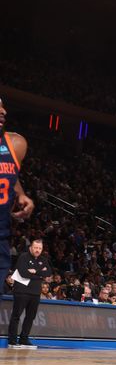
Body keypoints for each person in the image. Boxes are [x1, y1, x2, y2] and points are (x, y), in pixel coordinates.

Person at [0, 99, 34, 306]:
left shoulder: (15, 144)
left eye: (2, 106)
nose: (3, 111)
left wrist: (21, 195)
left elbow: (11, 177)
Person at [7, 239, 51, 348]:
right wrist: (40, 273)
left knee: (30, 317)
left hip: (35, 293)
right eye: (36, 248)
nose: (37, 250)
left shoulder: (43, 259)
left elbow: (49, 273)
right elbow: (23, 273)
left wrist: (35, 271)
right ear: (31, 247)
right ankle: (12, 341)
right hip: (22, 291)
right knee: (16, 315)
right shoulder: (23, 257)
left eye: (40, 248)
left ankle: (24, 339)